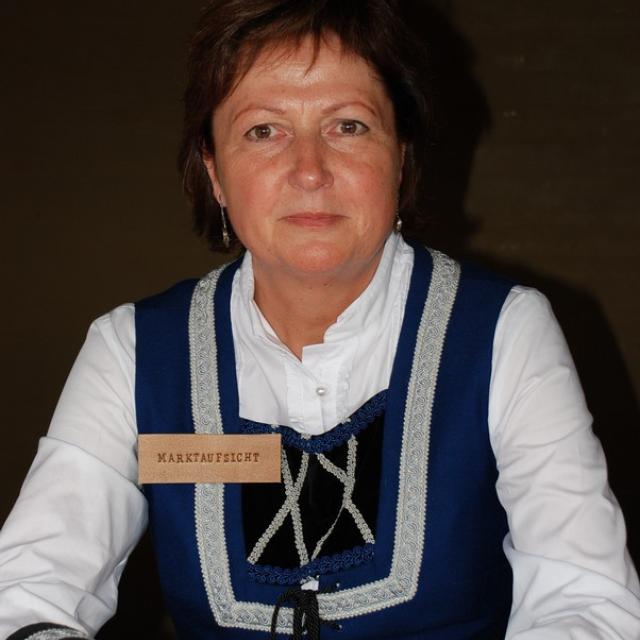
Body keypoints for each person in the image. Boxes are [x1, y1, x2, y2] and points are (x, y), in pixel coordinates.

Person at [1, 1, 639, 638]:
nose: (309, 170)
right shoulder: (136, 351)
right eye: (263, 131)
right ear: (214, 172)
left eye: (348, 126)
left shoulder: (502, 332)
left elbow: (586, 601)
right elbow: (27, 594)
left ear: (401, 156)